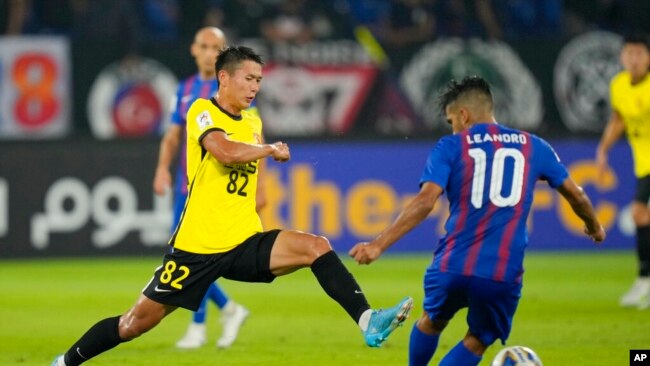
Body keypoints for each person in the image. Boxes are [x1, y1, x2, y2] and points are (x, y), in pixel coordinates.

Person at [51, 45, 413, 366]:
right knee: (133, 324)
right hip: (196, 249)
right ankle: (64, 362)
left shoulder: (253, 121)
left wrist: (260, 190)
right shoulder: (201, 111)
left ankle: (368, 321)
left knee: (315, 246)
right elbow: (223, 151)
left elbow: (246, 175)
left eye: (258, 80)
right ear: (224, 78)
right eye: (248, 78)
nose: (255, 87)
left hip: (242, 241)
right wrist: (269, 150)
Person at [349, 75, 605, 366]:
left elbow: (424, 202)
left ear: (463, 114)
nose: (453, 127)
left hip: (452, 265)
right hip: (502, 272)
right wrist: (594, 226)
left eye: (451, 120)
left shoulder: (450, 147)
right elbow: (577, 196)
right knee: (479, 339)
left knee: (431, 321)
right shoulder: (535, 146)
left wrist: (378, 245)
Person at [153, 26, 254, 349]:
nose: (210, 52)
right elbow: (172, 136)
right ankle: (227, 309)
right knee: (182, 256)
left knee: (191, 258)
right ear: (193, 50)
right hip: (187, 189)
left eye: (217, 47)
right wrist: (161, 169)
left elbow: (250, 137)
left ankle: (202, 324)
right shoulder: (183, 89)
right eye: (205, 46)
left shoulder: (232, 88)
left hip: (217, 190)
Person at [596, 33, 650, 309]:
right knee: (641, 214)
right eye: (629, 53)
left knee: (640, 212)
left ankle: (644, 280)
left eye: (639, 53)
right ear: (622, 57)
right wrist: (603, 149)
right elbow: (619, 119)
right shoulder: (619, 85)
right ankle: (644, 281)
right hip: (644, 163)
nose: (634, 58)